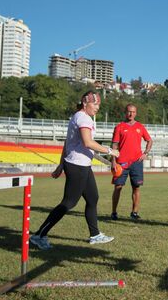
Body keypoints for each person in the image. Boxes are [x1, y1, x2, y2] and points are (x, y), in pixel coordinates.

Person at [30, 90, 119, 250]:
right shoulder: (83, 117)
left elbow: (67, 143)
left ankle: (95, 235)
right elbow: (88, 142)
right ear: (85, 103)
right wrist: (110, 151)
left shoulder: (79, 116)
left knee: (92, 198)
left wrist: (61, 164)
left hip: (81, 164)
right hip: (77, 166)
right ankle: (38, 235)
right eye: (95, 103)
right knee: (68, 203)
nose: (98, 107)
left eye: (99, 104)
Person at [110, 104, 152, 220]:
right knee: (118, 187)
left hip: (136, 162)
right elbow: (114, 145)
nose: (131, 114)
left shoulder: (140, 127)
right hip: (121, 163)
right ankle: (114, 212)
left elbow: (149, 141)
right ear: (125, 112)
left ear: (136, 113)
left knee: (136, 187)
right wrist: (113, 161)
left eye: (133, 112)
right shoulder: (119, 127)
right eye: (129, 111)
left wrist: (145, 153)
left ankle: (134, 212)